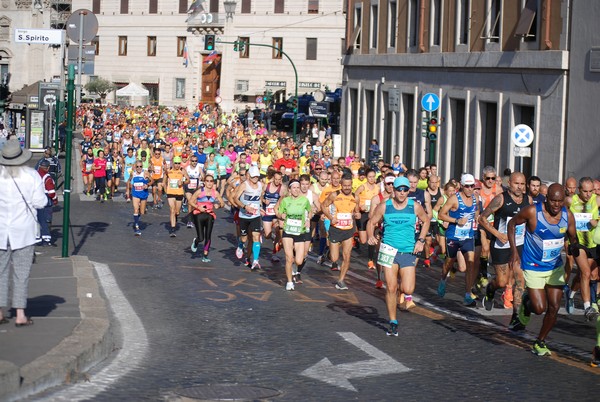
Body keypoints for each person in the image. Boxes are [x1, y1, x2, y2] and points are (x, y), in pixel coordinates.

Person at [508, 183, 578, 356]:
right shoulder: (532, 212)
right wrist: (514, 252)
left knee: (554, 307)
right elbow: (511, 224)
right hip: (534, 266)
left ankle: (540, 341)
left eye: (560, 201)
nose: (556, 205)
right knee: (539, 308)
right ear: (546, 199)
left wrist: (575, 248)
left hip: (555, 267)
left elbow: (573, 238)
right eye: (553, 201)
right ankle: (527, 301)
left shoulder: (567, 216)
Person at [367, 176, 430, 336]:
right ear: (393, 191)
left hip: (408, 250)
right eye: (399, 189)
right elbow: (371, 222)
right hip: (388, 250)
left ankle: (403, 296)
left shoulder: (414, 206)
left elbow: (426, 220)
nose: (402, 193)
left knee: (408, 288)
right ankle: (393, 320)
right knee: (391, 287)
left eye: (405, 190)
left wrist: (421, 240)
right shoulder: (384, 206)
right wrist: (370, 235)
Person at [0, 138, 48, 326]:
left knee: (0, 272)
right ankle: (20, 314)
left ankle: (0, 312)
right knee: (21, 272)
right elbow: (40, 202)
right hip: (24, 231)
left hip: (1, 229)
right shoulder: (31, 175)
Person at [479, 173, 532, 330]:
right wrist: (498, 234)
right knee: (502, 282)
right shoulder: (501, 199)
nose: (519, 187)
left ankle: (516, 317)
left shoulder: (527, 200)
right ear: (509, 183)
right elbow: (482, 218)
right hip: (501, 244)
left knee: (519, 280)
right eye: (516, 183)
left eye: (522, 184)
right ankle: (491, 288)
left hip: (519, 244)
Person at [438, 173, 480, 307]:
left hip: (468, 236)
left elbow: (476, 211)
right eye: (467, 186)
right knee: (449, 262)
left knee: (471, 263)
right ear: (461, 186)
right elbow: (441, 214)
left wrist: (477, 219)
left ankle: (467, 295)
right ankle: (443, 279)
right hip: (453, 236)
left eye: (472, 186)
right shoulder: (453, 199)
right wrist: (456, 220)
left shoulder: (475, 199)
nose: (470, 189)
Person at [564, 177, 600, 320]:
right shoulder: (570, 201)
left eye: (591, 191)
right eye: (585, 191)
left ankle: (570, 294)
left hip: (593, 243)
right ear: (579, 190)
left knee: (591, 275)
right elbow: (559, 214)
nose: (588, 194)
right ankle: (587, 307)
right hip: (577, 243)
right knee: (585, 272)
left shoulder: (597, 200)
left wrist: (596, 221)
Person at [321, 174, 361, 290]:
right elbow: (323, 206)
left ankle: (341, 280)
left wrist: (357, 214)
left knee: (347, 256)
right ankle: (327, 252)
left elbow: (357, 211)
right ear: (341, 185)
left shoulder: (355, 197)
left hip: (348, 230)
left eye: (349, 186)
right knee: (334, 258)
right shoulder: (334, 195)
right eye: (345, 186)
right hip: (335, 229)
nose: (347, 188)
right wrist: (329, 217)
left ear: (352, 185)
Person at [277, 179, 312, 291]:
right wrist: (281, 216)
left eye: (298, 187)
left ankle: (294, 267)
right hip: (288, 231)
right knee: (289, 258)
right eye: (294, 188)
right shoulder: (285, 201)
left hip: (299, 232)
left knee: (299, 261)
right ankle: (289, 281)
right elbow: (279, 212)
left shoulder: (304, 200)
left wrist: (307, 219)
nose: (296, 190)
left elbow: (310, 211)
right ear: (290, 189)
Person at [232, 166, 264, 270]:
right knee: (244, 238)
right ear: (249, 176)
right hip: (244, 215)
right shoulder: (244, 185)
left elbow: (260, 198)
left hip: (255, 215)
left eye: (257, 177)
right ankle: (241, 245)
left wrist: (261, 207)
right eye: (254, 176)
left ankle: (255, 260)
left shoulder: (260, 185)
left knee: (256, 237)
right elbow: (235, 198)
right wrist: (245, 207)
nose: (255, 179)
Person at [189, 175, 224, 262]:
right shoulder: (199, 192)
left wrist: (218, 205)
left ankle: (205, 256)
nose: (209, 183)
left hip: (209, 215)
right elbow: (190, 201)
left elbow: (222, 203)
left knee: (208, 236)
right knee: (201, 238)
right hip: (199, 214)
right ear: (204, 182)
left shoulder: (215, 193)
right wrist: (198, 207)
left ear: (213, 182)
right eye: (207, 181)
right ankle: (196, 242)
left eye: (211, 181)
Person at [354, 168, 380, 268]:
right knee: (364, 240)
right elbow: (354, 197)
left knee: (372, 237)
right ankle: (356, 237)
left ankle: (370, 260)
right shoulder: (362, 187)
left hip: (373, 214)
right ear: (366, 177)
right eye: (370, 177)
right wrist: (360, 206)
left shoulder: (377, 188)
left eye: (373, 177)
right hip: (363, 214)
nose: (372, 179)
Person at [163, 156, 190, 236]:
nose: (177, 165)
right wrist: (165, 190)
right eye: (176, 163)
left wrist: (182, 182)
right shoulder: (168, 170)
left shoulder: (182, 170)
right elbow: (164, 181)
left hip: (179, 193)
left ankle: (175, 217)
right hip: (170, 192)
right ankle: (173, 229)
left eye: (179, 163)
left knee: (177, 212)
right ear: (173, 163)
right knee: (172, 210)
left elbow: (188, 180)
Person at [36, 160, 58, 246]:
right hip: (45, 199)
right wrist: (55, 199)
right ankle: (46, 238)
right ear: (48, 167)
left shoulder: (35, 175)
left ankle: (37, 238)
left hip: (35, 199)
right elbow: (51, 192)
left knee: (37, 219)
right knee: (46, 219)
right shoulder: (47, 177)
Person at [127, 161, 150, 236]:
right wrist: (128, 190)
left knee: (142, 212)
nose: (139, 168)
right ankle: (137, 226)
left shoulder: (145, 173)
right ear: (135, 167)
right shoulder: (133, 173)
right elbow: (129, 180)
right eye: (137, 167)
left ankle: (138, 215)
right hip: (135, 193)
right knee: (136, 209)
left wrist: (148, 185)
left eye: (140, 166)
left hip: (143, 194)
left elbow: (152, 180)